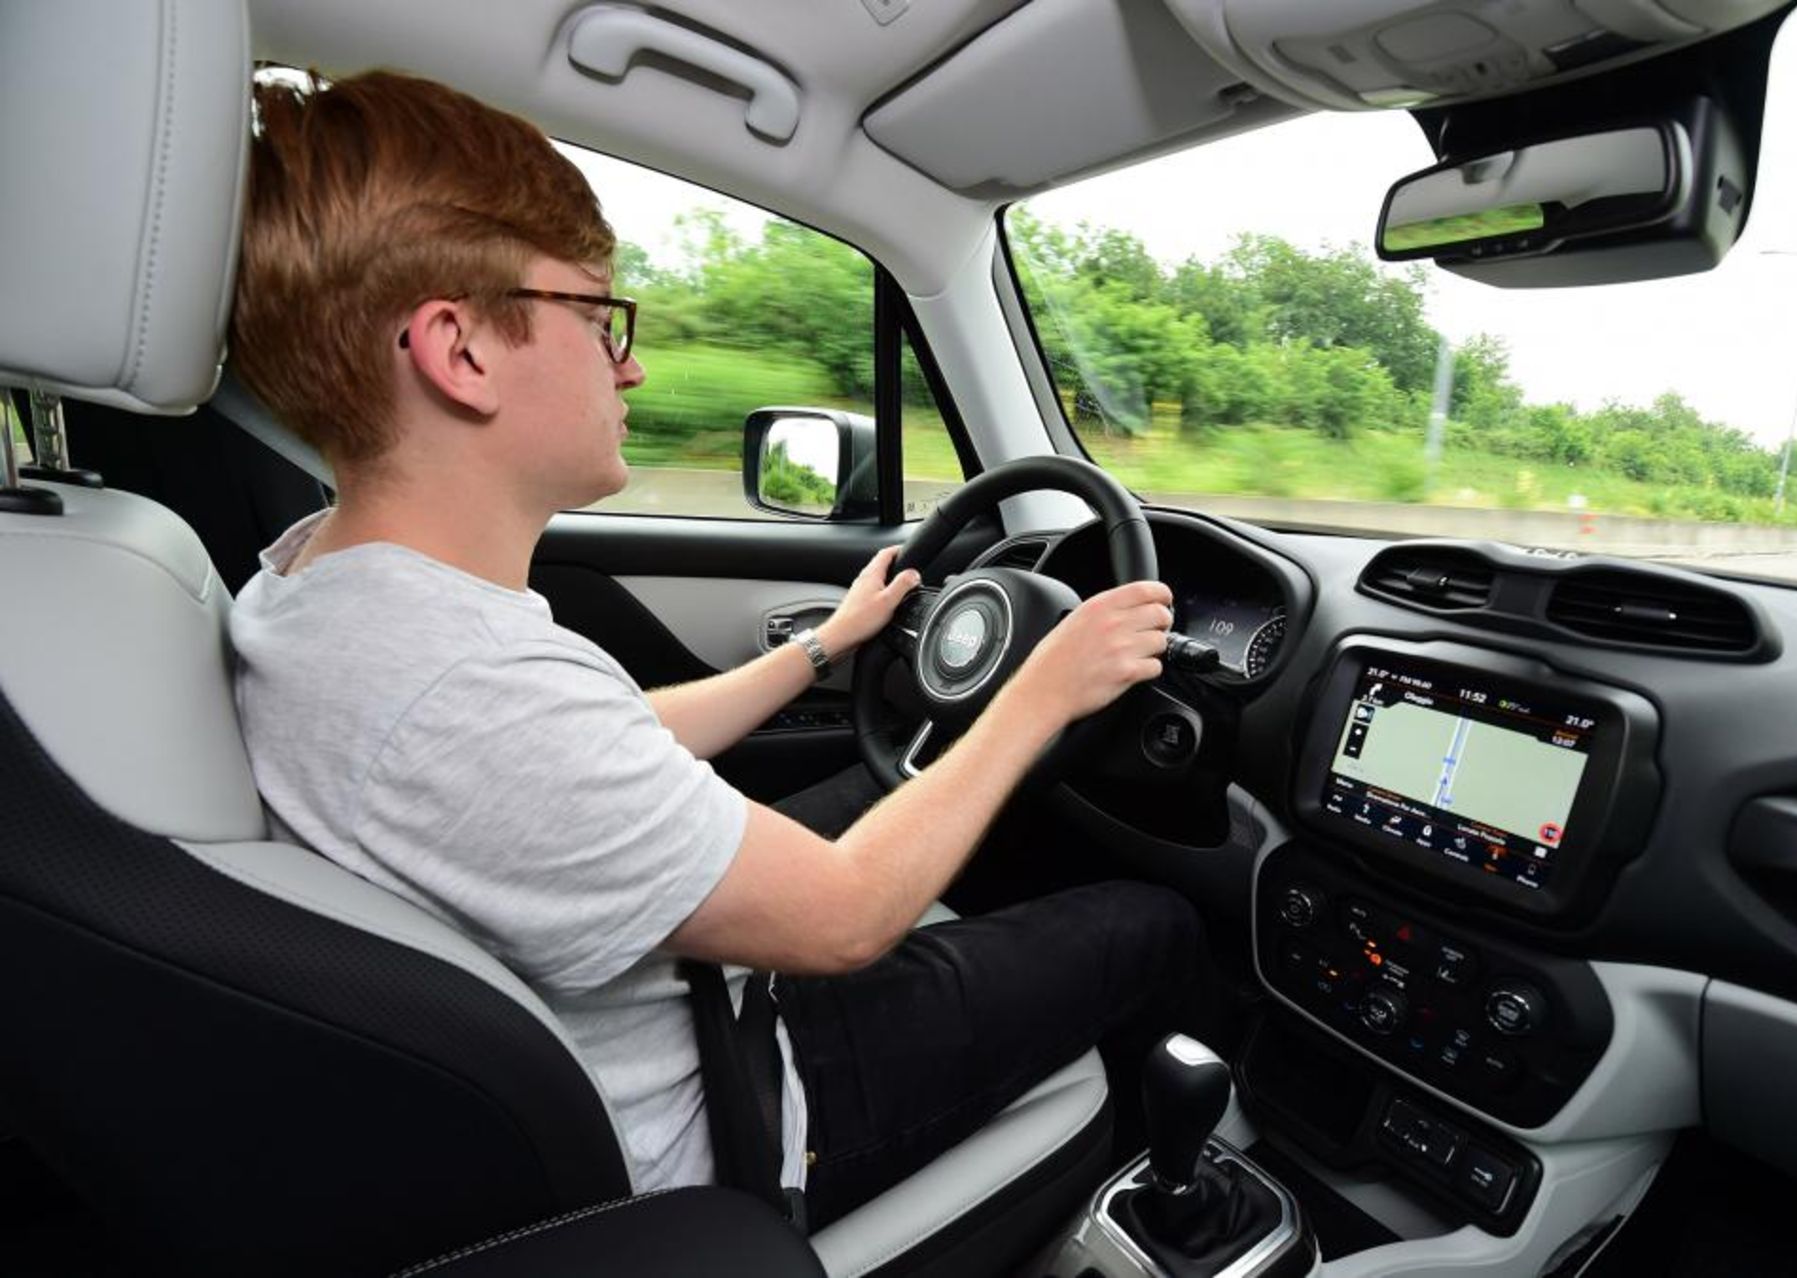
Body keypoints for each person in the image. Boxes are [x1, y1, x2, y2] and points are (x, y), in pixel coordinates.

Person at [226, 69, 1204, 1229]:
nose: (629, 365)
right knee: (1153, 924)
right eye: (599, 321)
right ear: (462, 350)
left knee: (891, 788)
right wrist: (1043, 691)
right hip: (737, 1108)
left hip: (665, 1011)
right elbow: (845, 914)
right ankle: (1191, 1204)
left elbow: (597, 745)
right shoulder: (463, 683)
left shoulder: (321, 584)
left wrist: (820, 650)